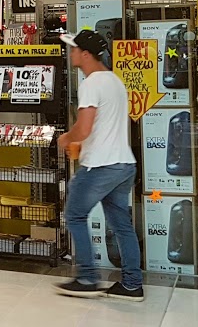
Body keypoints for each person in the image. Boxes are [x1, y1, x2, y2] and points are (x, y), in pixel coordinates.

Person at [55, 30, 142, 301]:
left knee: (75, 216)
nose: (71, 55)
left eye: (74, 50)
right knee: (122, 226)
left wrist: (65, 138)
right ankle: (131, 285)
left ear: (86, 54)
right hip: (124, 164)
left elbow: (84, 129)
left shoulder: (91, 83)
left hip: (100, 166)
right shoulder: (115, 81)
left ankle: (88, 278)